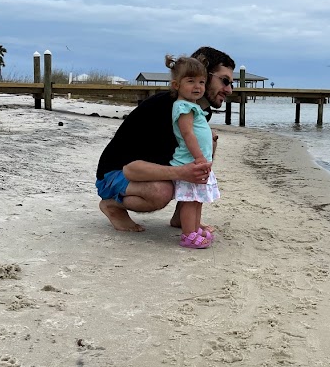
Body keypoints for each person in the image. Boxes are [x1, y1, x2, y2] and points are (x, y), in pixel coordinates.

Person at [96, 46, 235, 232]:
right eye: (225, 81)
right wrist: (181, 173)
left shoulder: (198, 110)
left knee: (210, 140)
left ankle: (182, 215)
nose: (229, 90)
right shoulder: (166, 108)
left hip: (147, 170)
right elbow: (131, 168)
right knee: (161, 192)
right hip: (116, 174)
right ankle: (113, 205)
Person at [165, 54, 220, 248]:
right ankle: (188, 235)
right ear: (176, 85)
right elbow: (187, 134)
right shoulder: (183, 107)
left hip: (198, 161)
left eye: (201, 82)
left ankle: (195, 228)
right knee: (190, 200)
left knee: (198, 199)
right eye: (190, 81)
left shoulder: (193, 106)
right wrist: (199, 157)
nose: (197, 86)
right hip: (189, 162)